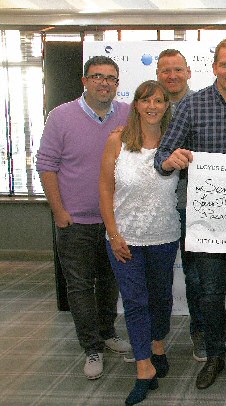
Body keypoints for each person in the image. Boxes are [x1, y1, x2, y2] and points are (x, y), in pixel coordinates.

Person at [154, 38, 226, 390]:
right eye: (225, 65)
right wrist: (170, 160)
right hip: (205, 219)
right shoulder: (191, 105)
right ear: (214, 66)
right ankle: (216, 354)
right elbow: (161, 156)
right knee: (211, 290)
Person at [36, 56, 132, 381]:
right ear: (84, 81)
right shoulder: (61, 116)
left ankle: (106, 332)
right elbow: (46, 165)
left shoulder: (128, 113)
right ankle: (91, 348)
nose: (104, 83)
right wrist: (59, 212)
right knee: (79, 287)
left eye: (110, 78)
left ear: (117, 84)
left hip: (114, 222)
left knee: (110, 282)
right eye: (97, 76)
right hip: (75, 221)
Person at [99, 80, 180, 405]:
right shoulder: (117, 141)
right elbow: (105, 189)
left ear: (165, 106)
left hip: (163, 235)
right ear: (136, 105)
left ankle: (157, 345)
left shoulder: (174, 143)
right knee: (135, 302)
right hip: (125, 239)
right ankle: (143, 367)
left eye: (159, 101)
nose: (152, 106)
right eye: (146, 101)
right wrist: (114, 234)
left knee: (161, 298)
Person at [156, 48, 206, 362]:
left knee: (196, 276)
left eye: (178, 70)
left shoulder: (203, 104)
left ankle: (200, 334)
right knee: (155, 277)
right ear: (158, 74)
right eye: (165, 71)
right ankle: (151, 338)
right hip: (155, 204)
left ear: (188, 71)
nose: (172, 76)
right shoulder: (147, 107)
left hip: (191, 203)